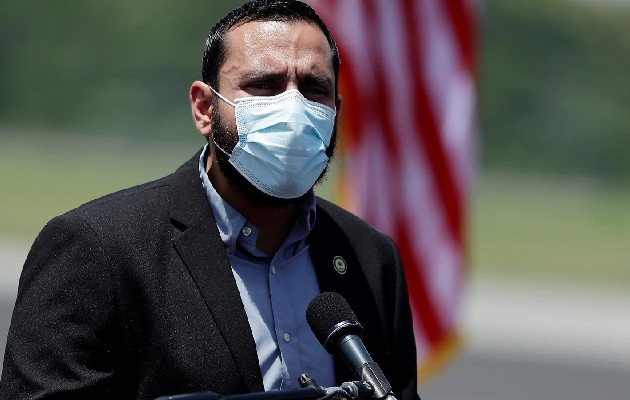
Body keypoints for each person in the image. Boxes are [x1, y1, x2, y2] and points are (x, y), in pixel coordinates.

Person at [0, 1, 419, 399]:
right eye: (263, 86)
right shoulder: (97, 249)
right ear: (204, 108)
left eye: (313, 89)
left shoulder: (369, 256)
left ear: (336, 112)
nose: (293, 109)